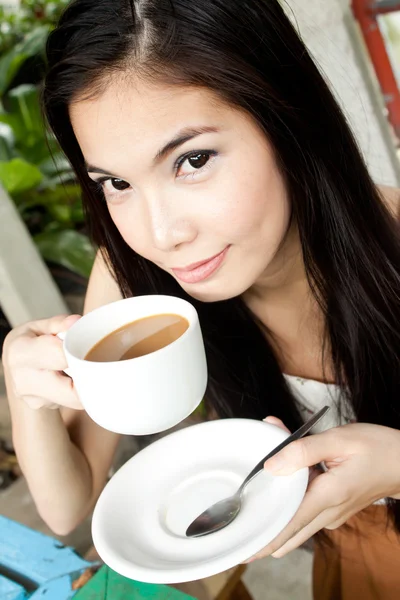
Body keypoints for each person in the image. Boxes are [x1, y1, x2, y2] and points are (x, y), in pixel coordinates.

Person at [2, 0, 400, 597]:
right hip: (355, 563)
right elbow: (67, 506)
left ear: (285, 122)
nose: (162, 234)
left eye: (192, 160)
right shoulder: (135, 277)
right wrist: (25, 389)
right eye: (117, 183)